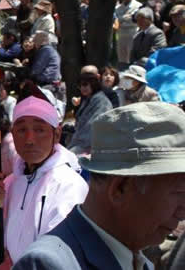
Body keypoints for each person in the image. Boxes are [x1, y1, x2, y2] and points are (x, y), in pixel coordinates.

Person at [13, 102, 185, 270]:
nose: (182, 211)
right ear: (120, 188)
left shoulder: (139, 261)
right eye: (179, 193)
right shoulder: (50, 264)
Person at [0, 97, 88, 270]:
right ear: (13, 133)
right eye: (22, 130)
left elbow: (63, 256)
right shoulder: (9, 183)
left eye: (39, 130)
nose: (29, 139)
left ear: (56, 134)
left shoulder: (68, 185)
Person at [115, 0, 142, 68]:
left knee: (131, 58)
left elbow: (134, 21)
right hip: (121, 36)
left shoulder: (139, 6)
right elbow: (115, 21)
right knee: (121, 59)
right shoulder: (118, 8)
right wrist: (124, 18)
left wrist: (121, 20)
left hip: (133, 35)